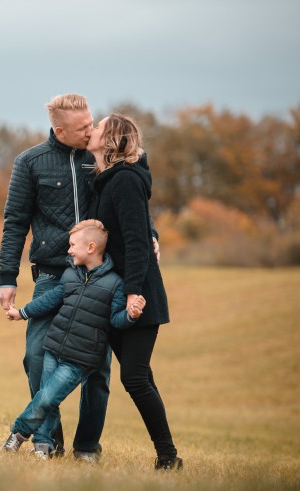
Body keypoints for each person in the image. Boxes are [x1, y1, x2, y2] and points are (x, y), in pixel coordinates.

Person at [0, 93, 109, 461]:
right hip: (50, 274)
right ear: (59, 129)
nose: (91, 131)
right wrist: (7, 276)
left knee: (97, 367)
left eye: (91, 123)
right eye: (82, 128)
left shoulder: (101, 159)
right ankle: (49, 439)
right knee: (35, 357)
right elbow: (14, 223)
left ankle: (87, 447)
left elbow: (128, 204)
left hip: (98, 278)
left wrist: (151, 236)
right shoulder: (30, 162)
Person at [0, 220, 145, 460]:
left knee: (48, 398)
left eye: (72, 245)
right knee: (45, 398)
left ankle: (17, 434)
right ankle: (43, 446)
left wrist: (131, 315)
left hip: (79, 358)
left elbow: (116, 321)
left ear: (90, 247)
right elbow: (49, 300)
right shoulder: (69, 274)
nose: (68, 250)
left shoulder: (115, 284)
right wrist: (22, 313)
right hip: (54, 347)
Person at [87, 113, 183, 471]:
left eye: (97, 126)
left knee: (134, 377)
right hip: (118, 293)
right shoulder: (107, 180)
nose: (92, 129)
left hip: (138, 295)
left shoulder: (125, 180)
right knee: (140, 376)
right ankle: (168, 455)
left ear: (111, 139)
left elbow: (138, 242)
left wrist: (132, 293)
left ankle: (169, 457)